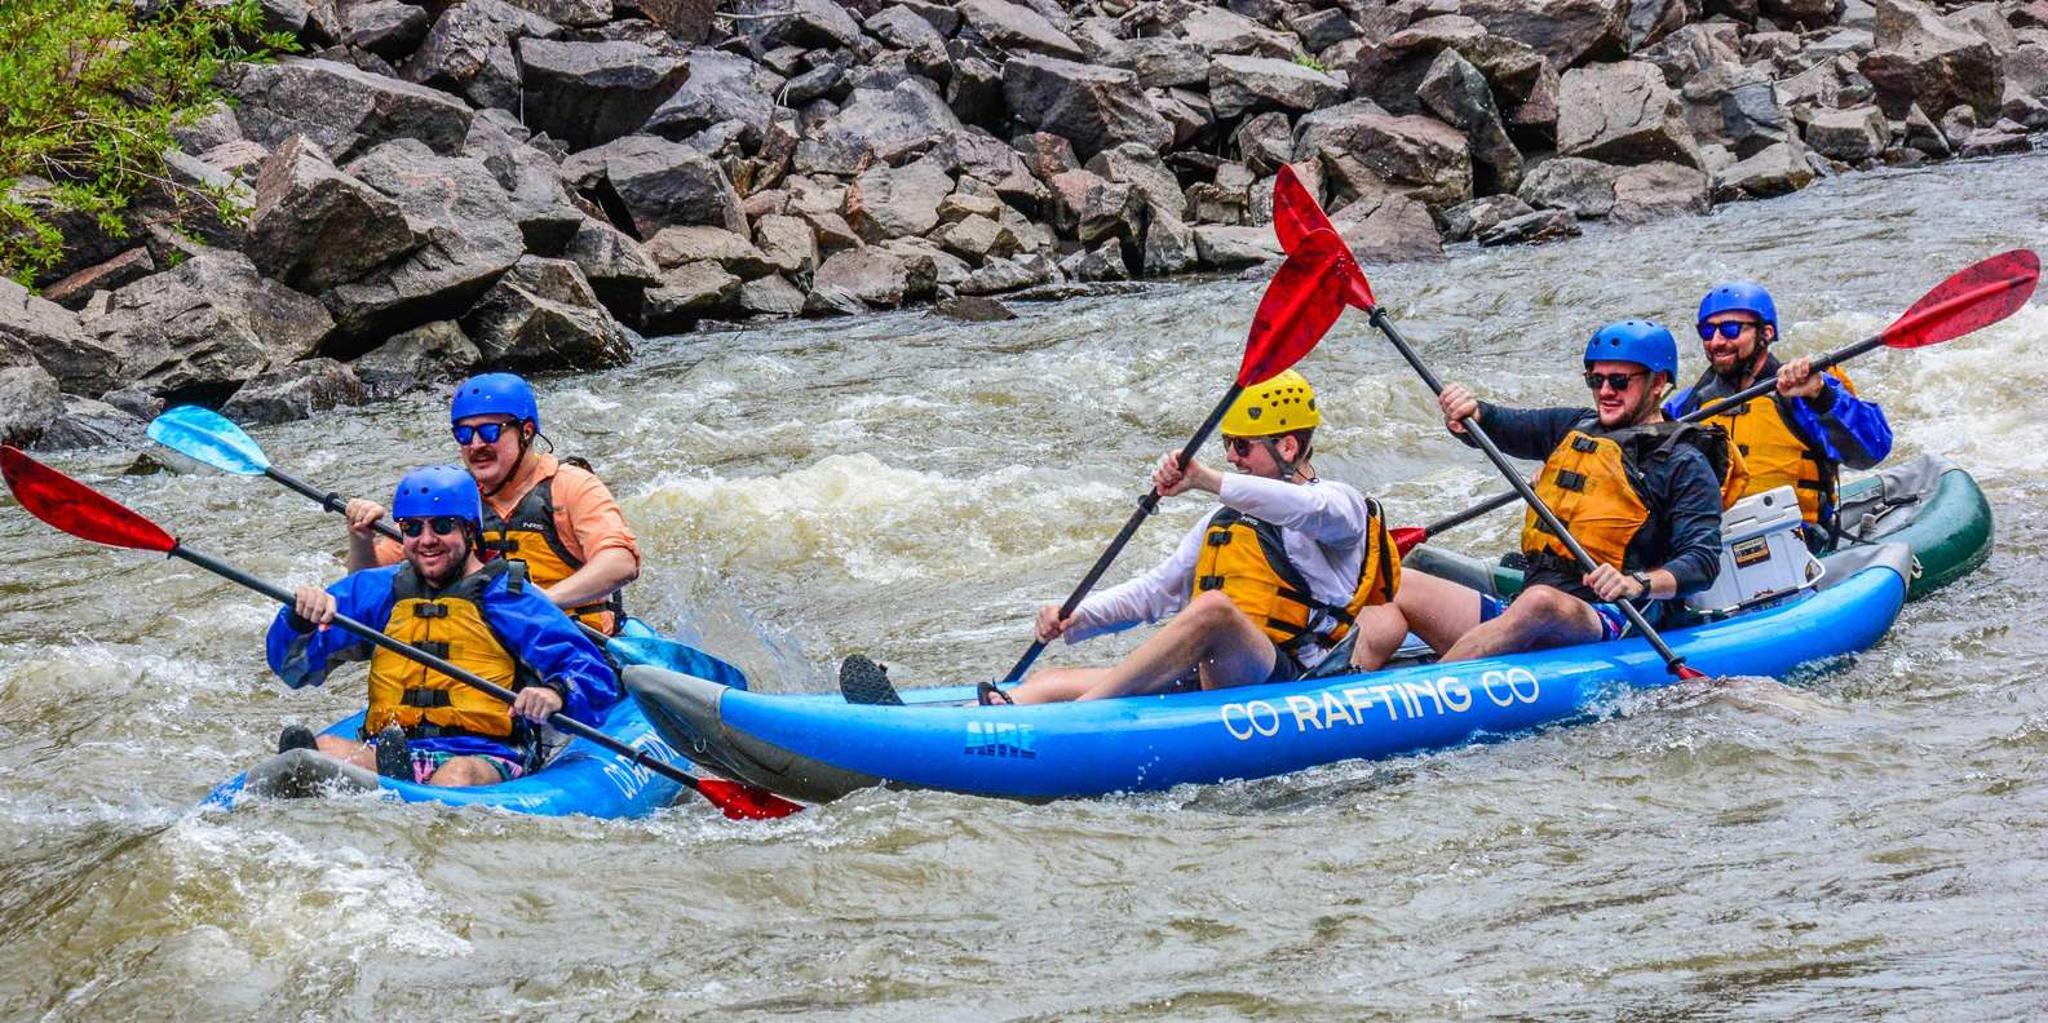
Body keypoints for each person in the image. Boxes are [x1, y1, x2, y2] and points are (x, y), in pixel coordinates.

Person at [886, 370, 1407, 706]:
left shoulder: (1339, 506)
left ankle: (1079, 724)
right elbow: (1154, 592)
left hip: (1293, 683)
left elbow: (1301, 507)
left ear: (1288, 446)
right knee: (1051, 681)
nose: (1231, 457)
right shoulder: (1224, 522)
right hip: (1224, 672)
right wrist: (1075, 616)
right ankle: (971, 712)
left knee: (1214, 610)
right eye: (1226, 446)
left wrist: (1205, 480)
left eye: (1242, 447)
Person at [1384, 321, 1736, 662]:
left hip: (1616, 619)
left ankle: (1426, 696)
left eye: (1619, 381)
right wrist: (1470, 413)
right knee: (1396, 583)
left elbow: (1702, 561)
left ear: (1658, 382)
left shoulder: (1684, 462)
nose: (1606, 392)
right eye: (1596, 380)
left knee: (1541, 602)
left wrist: (1636, 583)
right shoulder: (1573, 426)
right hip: (1524, 608)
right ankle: (1342, 692)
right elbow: (1498, 424)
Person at [270, 466, 621, 786]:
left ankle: (406, 790)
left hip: (484, 753)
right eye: (412, 528)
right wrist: (298, 618)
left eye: (441, 526)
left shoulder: (511, 598)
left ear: (470, 530)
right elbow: (291, 668)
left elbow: (593, 674)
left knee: (456, 774)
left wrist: (554, 692)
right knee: (317, 751)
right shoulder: (377, 591)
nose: (426, 540)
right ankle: (385, 779)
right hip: (392, 747)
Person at [345, 373, 640, 635]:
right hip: (482, 647)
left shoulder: (571, 486)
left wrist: (545, 601)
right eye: (464, 433)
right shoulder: (449, 494)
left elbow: (621, 562)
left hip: (570, 642)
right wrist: (361, 539)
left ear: (526, 432)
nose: (475, 445)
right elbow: (366, 588)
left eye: (489, 431)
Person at [1667, 281, 1891, 550]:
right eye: (1707, 330)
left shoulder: (1806, 389)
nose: (1716, 341)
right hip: (1712, 549)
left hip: (1800, 543)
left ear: (1766, 333)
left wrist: (1821, 396)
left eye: (1730, 329)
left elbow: (1872, 450)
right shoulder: (1688, 406)